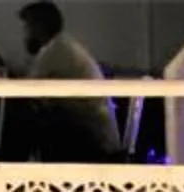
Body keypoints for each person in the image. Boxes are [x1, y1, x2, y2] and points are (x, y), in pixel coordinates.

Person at [18, 1, 123, 162]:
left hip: (93, 142)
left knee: (23, 117)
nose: (25, 34)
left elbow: (25, 89)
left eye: (28, 28)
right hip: (95, 136)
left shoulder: (56, 51)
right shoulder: (63, 45)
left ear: (40, 27)